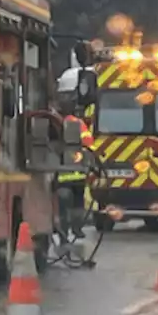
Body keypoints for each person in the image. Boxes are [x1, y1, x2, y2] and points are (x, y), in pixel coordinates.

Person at [54, 67, 94, 250]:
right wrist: (90, 164)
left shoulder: (54, 121)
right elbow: (89, 145)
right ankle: (76, 229)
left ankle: (63, 236)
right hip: (77, 175)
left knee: (62, 208)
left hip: (59, 177)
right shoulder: (77, 123)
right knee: (77, 204)